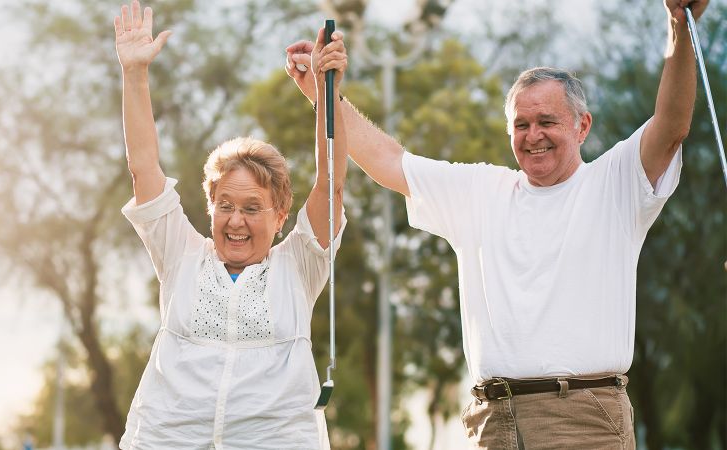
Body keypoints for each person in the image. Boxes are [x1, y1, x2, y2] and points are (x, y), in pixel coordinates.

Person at [283, 0, 705, 448]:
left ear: (582, 126)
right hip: (491, 421)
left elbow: (671, 125)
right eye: (521, 124)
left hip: (584, 418)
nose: (533, 135)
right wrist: (323, 94)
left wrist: (679, 29)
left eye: (547, 121)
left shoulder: (615, 182)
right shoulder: (481, 190)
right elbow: (388, 160)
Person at [113, 1, 350, 448]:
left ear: (281, 217)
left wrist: (326, 91)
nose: (235, 221)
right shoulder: (181, 253)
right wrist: (134, 74)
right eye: (225, 205)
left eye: (252, 208)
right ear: (211, 208)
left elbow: (331, 184)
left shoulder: (299, 265)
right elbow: (143, 166)